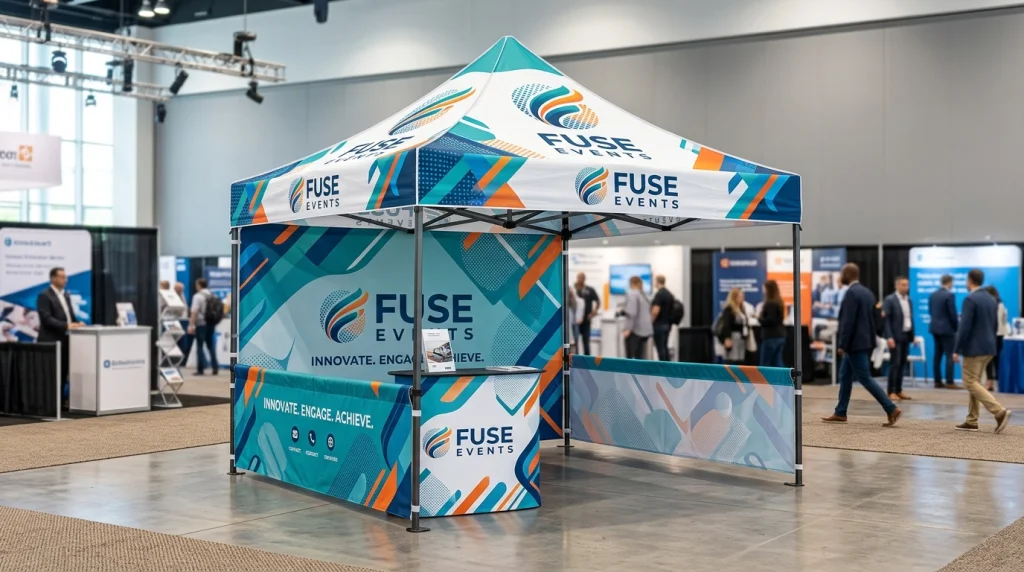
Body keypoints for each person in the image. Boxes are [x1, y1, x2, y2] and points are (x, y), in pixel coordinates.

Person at [822, 263, 902, 427]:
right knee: (845, 375)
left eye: (842, 274)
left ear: (847, 275)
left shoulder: (851, 293)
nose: (840, 277)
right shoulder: (867, 292)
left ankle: (891, 408)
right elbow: (876, 319)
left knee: (864, 377)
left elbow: (848, 322)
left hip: (854, 344)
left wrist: (842, 344)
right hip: (866, 342)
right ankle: (840, 412)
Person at [953, 269, 1011, 432]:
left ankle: (999, 412)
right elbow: (994, 325)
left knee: (969, 381)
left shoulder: (970, 299)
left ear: (970, 280)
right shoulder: (991, 299)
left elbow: (964, 327)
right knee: (975, 382)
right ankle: (972, 420)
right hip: (989, 347)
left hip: (974, 349)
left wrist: (957, 349)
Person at [36, 267, 84, 402]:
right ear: (53, 278)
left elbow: (70, 316)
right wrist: (66, 325)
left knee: (63, 371)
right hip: (51, 341)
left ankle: (60, 401)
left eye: (66, 277)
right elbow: (46, 319)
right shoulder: (44, 295)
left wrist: (77, 323)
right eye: (62, 277)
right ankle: (49, 402)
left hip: (66, 340)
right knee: (51, 373)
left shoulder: (66, 295)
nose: (65, 280)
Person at [883, 276, 915, 401]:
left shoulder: (909, 300)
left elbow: (909, 318)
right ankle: (891, 391)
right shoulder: (890, 299)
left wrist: (912, 336)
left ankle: (898, 390)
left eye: (907, 285)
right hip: (895, 337)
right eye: (903, 285)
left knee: (902, 364)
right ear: (897, 286)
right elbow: (886, 321)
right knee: (895, 364)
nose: (906, 287)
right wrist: (889, 337)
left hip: (906, 335)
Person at [929, 274, 959, 389]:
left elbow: (930, 311)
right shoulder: (949, 295)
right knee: (949, 355)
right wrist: (956, 327)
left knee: (937, 355)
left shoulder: (933, 295)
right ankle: (949, 382)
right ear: (950, 283)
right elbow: (952, 314)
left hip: (935, 328)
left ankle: (937, 381)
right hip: (947, 330)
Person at [188, 278, 219, 376]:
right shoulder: (212, 295)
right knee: (211, 346)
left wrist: (191, 325)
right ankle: (215, 368)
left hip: (201, 324)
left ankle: (200, 369)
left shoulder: (197, 296)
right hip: (211, 323)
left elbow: (194, 311)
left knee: (200, 346)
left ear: (199, 285)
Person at [715, 288, 752, 366]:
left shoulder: (742, 309)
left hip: (741, 339)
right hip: (733, 337)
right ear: (735, 297)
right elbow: (726, 325)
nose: (743, 297)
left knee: (740, 361)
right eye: (741, 296)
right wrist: (727, 338)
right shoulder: (729, 309)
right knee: (731, 360)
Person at [983, 285, 1008, 391]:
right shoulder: (1001, 304)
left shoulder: (991, 304)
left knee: (989, 359)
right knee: (997, 359)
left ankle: (990, 381)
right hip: (999, 334)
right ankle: (998, 381)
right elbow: (1004, 320)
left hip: (991, 334)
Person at [622, 276, 653, 359]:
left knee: (631, 358)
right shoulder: (643, 295)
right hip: (645, 330)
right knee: (640, 357)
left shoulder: (632, 293)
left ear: (631, 283)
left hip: (636, 330)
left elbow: (632, 313)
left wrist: (628, 329)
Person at [758, 280, 786, 367]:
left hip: (771, 337)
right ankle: (782, 376)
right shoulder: (779, 302)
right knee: (777, 362)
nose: (763, 290)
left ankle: (765, 377)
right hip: (780, 335)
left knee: (765, 364)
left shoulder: (770, 303)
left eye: (764, 288)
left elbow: (771, 320)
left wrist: (760, 319)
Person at [650, 275, 677, 361]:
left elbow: (655, 311)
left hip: (659, 325)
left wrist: (650, 321)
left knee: (660, 348)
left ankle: (662, 366)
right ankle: (667, 365)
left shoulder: (659, 294)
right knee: (664, 347)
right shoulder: (669, 294)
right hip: (667, 324)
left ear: (657, 282)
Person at [574, 273, 600, 355]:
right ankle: (575, 360)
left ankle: (587, 360)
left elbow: (598, 301)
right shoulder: (573, 289)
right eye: (579, 277)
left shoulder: (590, 290)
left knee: (586, 343)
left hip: (586, 320)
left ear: (584, 279)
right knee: (574, 342)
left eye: (582, 278)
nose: (580, 279)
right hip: (575, 321)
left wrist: (593, 313)